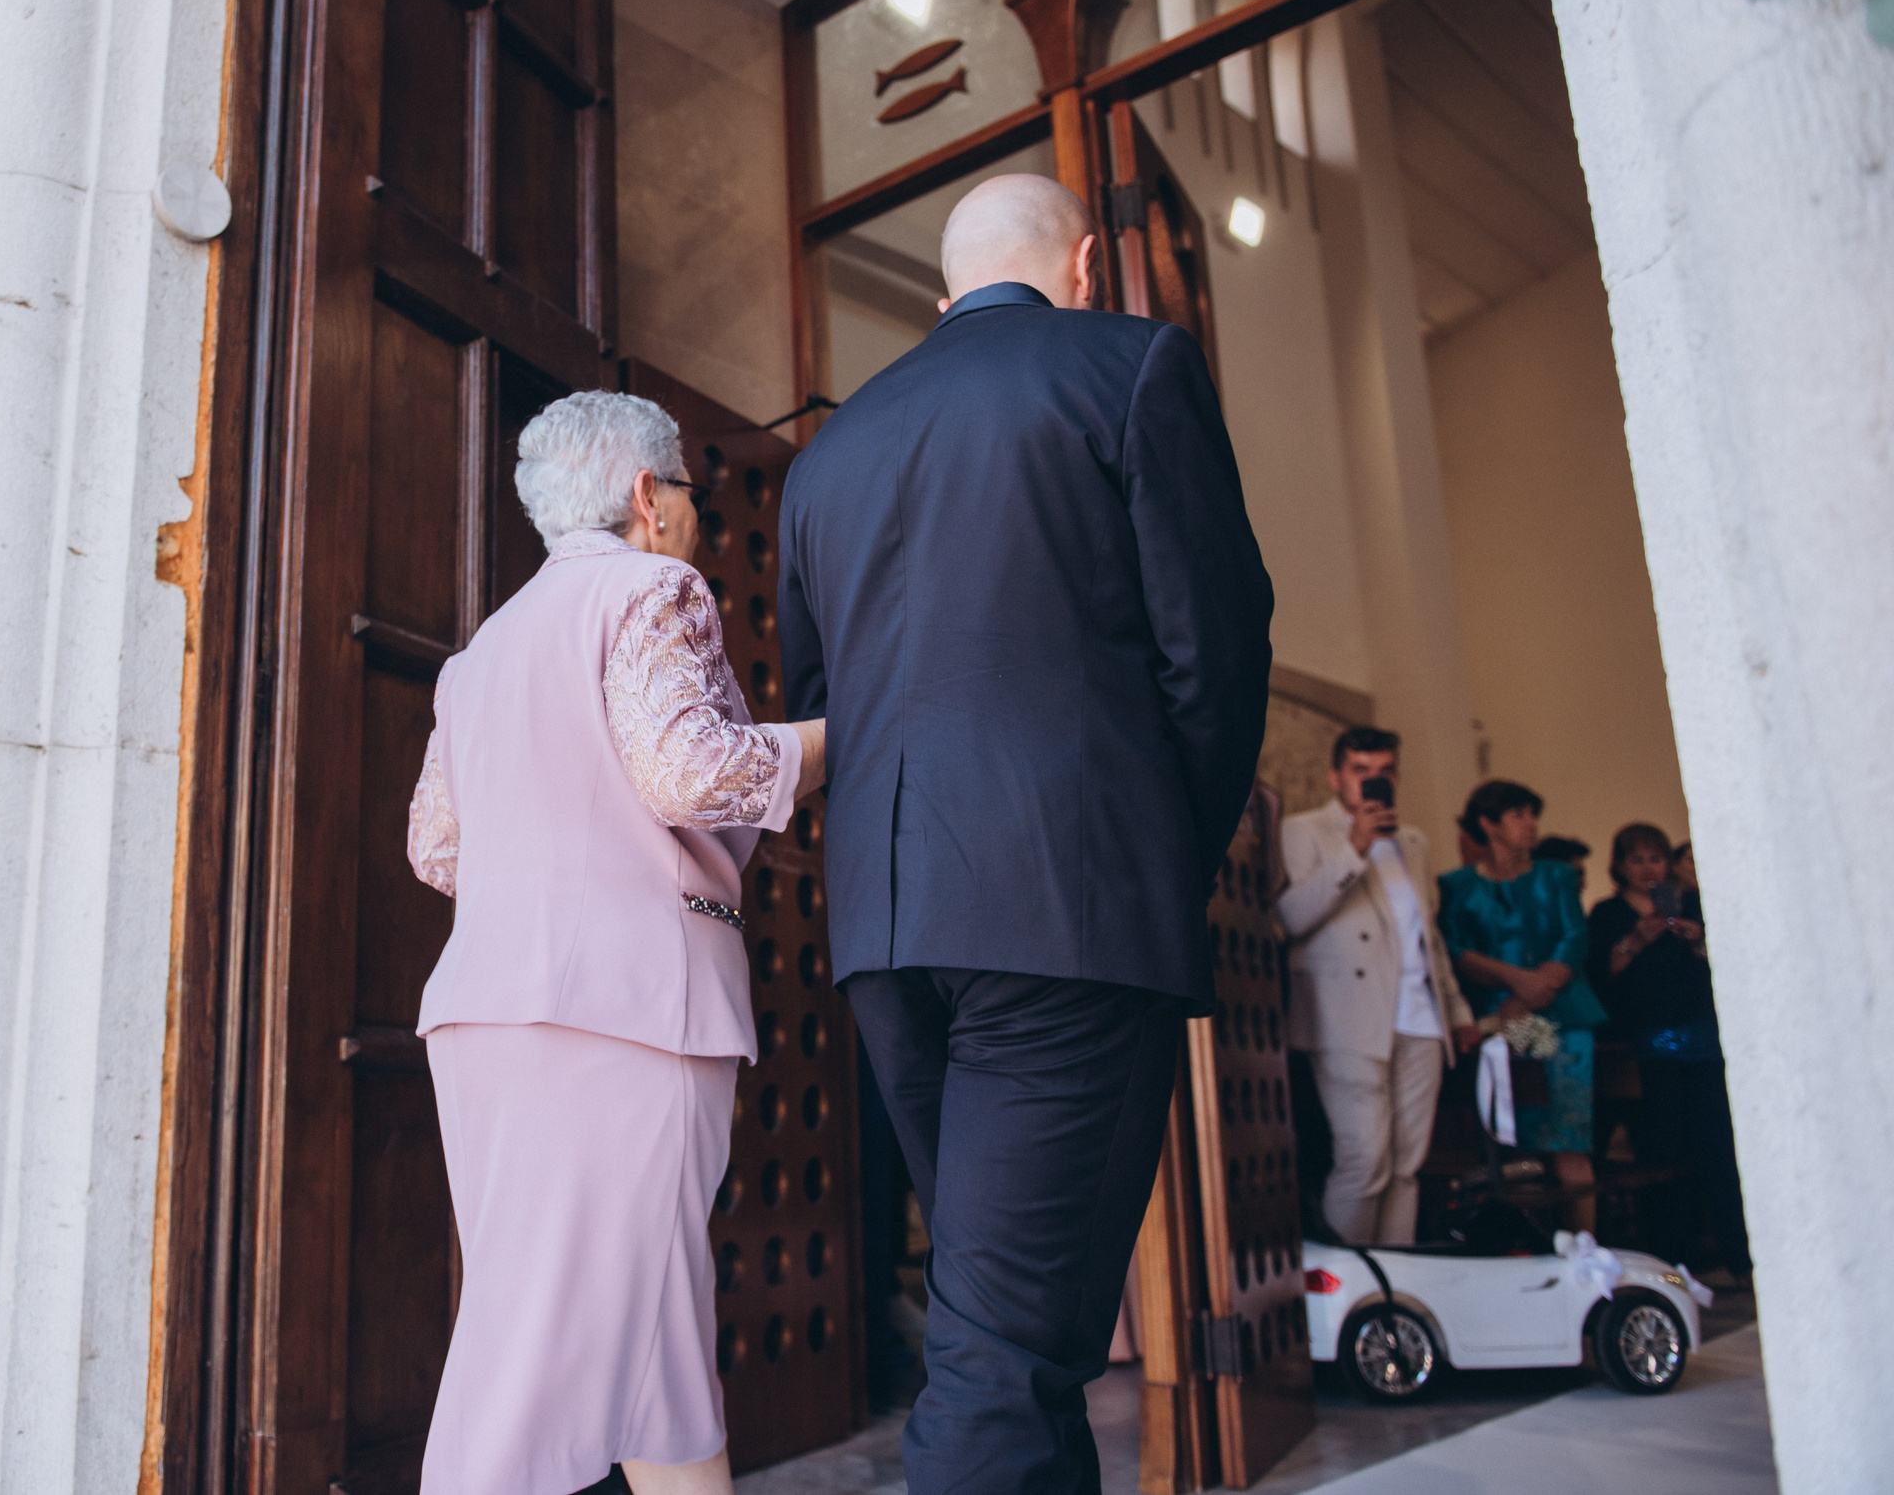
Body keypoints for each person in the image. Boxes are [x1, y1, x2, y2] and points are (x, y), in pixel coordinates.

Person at [778, 173, 1273, 1493]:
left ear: (945, 300)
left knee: (1024, 1339)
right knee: (1002, 1358)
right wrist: (1162, 850)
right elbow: (1212, 656)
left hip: (890, 937)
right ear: (1089, 263)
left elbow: (821, 704)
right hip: (1065, 912)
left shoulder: (830, 452)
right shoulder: (1133, 364)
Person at [405, 392, 828, 1495]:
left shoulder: (480, 653)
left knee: (652, 1342)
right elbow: (689, 771)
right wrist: (844, 735)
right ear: (647, 495)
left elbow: (437, 847)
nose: (691, 506)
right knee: (533, 1350)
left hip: (490, 1013)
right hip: (621, 1008)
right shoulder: (654, 584)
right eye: (687, 483)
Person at [1277, 727, 1480, 1246]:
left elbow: (1427, 936)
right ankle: (1348, 1291)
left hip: (1418, 1018)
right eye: (1360, 771)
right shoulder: (1304, 831)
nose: (1373, 781)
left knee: (1406, 1167)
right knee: (1364, 1159)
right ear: (1335, 777)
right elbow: (1291, 917)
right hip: (1346, 1016)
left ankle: (1396, 1291)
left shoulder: (1413, 841)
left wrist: (1456, 1012)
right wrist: (1356, 847)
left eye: (1384, 771)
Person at [1438, 780, 1608, 1232]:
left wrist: (1535, 990)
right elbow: (1456, 950)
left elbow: (1573, 938)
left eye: (1533, 814)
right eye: (1518, 815)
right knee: (1513, 1135)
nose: (1531, 824)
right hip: (1499, 1020)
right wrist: (1515, 985)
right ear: (1487, 824)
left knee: (1566, 1136)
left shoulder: (1556, 876)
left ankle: (1584, 1248)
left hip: (1561, 1014)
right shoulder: (1457, 886)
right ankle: (1521, 1242)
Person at [1586, 823, 1752, 1283]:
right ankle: (1676, 1264)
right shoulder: (1608, 914)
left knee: (1718, 1148)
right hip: (1648, 1050)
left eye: (1655, 859)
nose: (1647, 868)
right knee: (1662, 1153)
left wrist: (1697, 938)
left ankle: (1739, 1255)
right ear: (1619, 866)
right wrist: (1638, 939)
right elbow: (1603, 973)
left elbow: (1729, 963)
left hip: (1700, 1043)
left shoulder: (1694, 905)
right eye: (1636, 860)